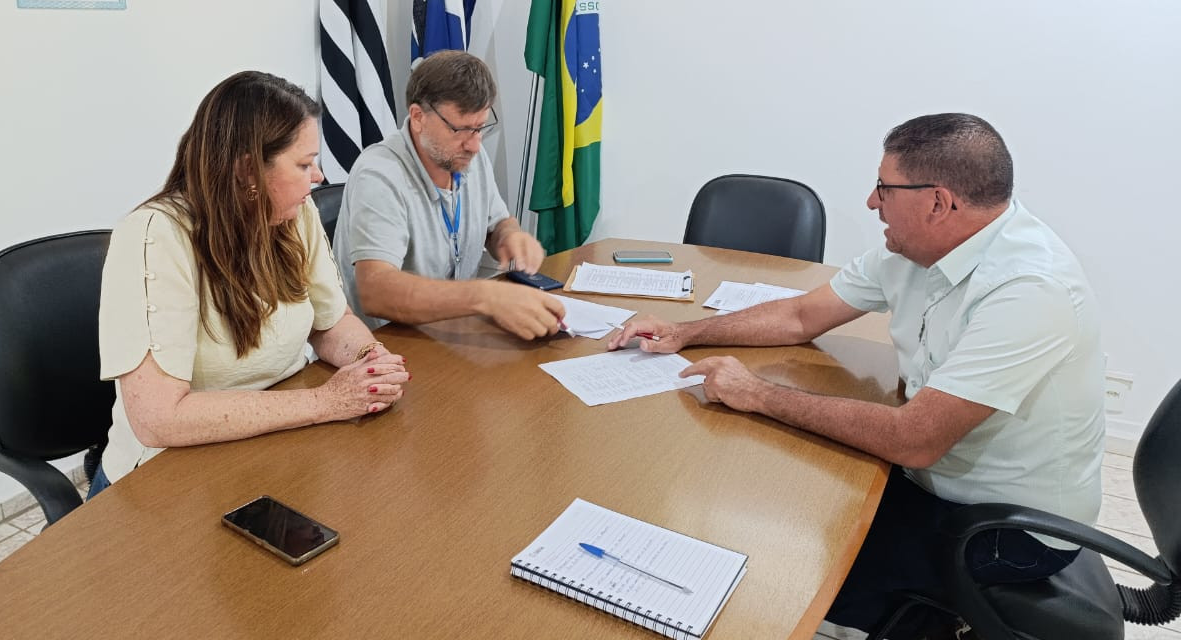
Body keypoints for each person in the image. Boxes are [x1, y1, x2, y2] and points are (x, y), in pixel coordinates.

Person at [609, 113, 1104, 639]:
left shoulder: (1029, 290)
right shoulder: (916, 249)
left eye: (884, 188)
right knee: (778, 487)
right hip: (934, 482)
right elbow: (801, 317)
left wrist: (755, 393)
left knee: (773, 569)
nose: (872, 202)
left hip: (1001, 526)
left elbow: (915, 440)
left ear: (937, 202)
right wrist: (687, 333)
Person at [90, 71, 410, 498]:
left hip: (273, 446)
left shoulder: (295, 214)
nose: (317, 177)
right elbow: (157, 419)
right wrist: (324, 402)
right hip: (165, 481)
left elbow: (332, 324)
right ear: (248, 171)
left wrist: (372, 361)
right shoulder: (155, 236)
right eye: (303, 164)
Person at [332, 50, 565, 340]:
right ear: (418, 117)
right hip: (385, 347)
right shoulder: (379, 173)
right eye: (462, 129)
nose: (475, 145)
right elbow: (376, 291)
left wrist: (510, 237)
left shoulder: (467, 157)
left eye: (480, 128)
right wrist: (484, 296)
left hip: (450, 335)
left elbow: (497, 226)